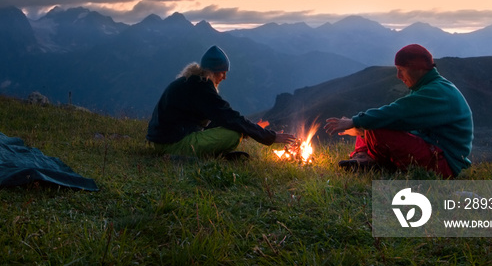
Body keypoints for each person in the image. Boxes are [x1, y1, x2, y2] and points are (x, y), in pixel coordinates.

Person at [324, 44, 473, 178]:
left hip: (442, 164)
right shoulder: (429, 87)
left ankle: (372, 161)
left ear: (417, 68)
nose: (398, 76)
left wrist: (354, 122)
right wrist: (361, 129)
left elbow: (396, 113)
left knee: (375, 125)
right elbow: (405, 123)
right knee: (372, 123)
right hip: (434, 150)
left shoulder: (436, 92)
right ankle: (363, 157)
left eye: (401, 70)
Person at [147, 45, 297, 158]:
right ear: (213, 72)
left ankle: (214, 156)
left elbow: (220, 117)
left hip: (164, 139)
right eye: (222, 73)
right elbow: (228, 115)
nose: (224, 78)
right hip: (172, 144)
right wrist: (269, 136)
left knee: (231, 127)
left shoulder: (192, 82)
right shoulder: (202, 87)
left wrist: (249, 130)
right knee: (233, 135)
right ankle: (187, 157)